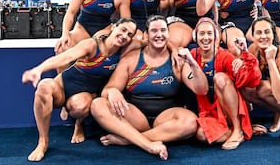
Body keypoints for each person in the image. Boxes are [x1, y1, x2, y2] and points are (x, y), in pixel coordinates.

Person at [90, 15, 208, 160]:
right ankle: (148, 145)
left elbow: (201, 90)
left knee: (190, 121)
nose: (159, 35)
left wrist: (192, 63)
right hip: (135, 117)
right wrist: (112, 91)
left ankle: (129, 139)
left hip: (166, 118)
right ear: (146, 35)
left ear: (168, 34)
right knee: (97, 105)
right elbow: (107, 90)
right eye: (154, 31)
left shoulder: (178, 60)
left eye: (163, 30)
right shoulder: (131, 59)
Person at [21, 18, 138, 162]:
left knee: (79, 107)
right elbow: (66, 57)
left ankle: (79, 123)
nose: (125, 36)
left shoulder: (124, 52)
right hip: (63, 87)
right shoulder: (92, 44)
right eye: (123, 30)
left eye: (130, 35)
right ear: (113, 27)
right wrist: (38, 70)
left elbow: (148, 40)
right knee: (44, 86)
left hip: (85, 94)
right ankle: (43, 142)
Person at [177, 17, 262, 150]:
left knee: (220, 78)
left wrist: (245, 55)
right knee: (201, 135)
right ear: (195, 36)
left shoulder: (224, 56)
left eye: (210, 33)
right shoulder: (191, 56)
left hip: (229, 110)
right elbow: (199, 89)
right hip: (210, 113)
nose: (206, 38)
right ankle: (237, 132)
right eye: (202, 33)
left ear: (216, 36)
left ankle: (238, 129)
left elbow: (251, 80)